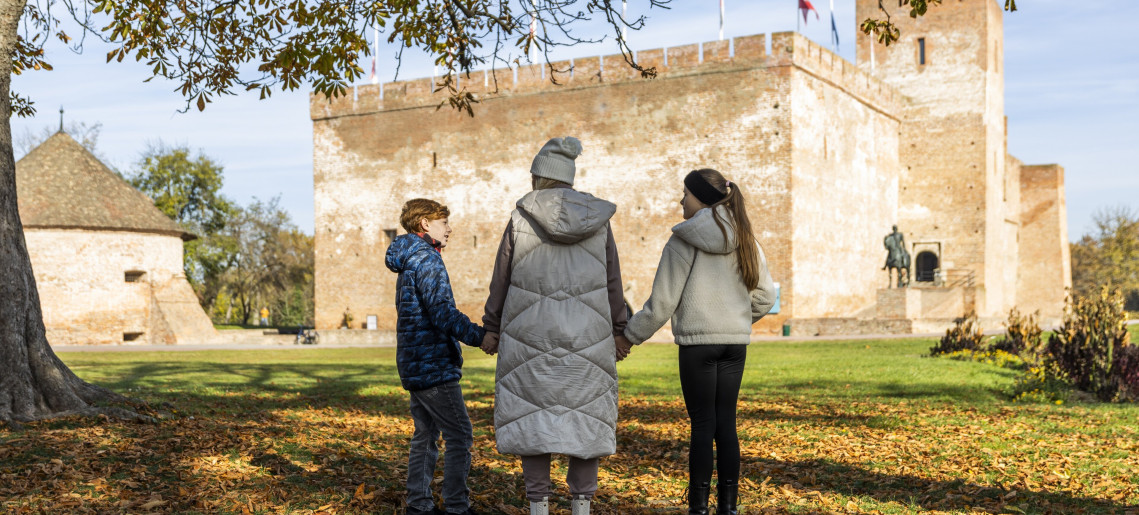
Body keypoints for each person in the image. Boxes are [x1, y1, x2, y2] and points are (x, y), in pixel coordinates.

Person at [481, 137, 628, 515]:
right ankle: (581, 507)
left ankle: (538, 507)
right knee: (586, 418)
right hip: (588, 337)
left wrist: (492, 325)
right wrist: (618, 328)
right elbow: (612, 280)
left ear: (539, 178)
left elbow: (502, 276)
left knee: (533, 418)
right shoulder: (599, 223)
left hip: (529, 335)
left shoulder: (519, 218)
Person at [616, 168, 775, 515]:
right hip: (734, 345)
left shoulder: (683, 240)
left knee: (703, 425)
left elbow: (662, 303)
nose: (680, 200)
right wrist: (733, 320)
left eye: (685, 194)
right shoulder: (747, 238)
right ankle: (729, 507)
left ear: (701, 198)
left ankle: (699, 507)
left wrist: (628, 337)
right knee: (726, 423)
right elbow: (764, 296)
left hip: (698, 345)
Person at [385, 198, 495, 515]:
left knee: (426, 435)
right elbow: (442, 313)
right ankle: (457, 507)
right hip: (432, 364)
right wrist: (480, 336)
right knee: (460, 434)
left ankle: (418, 506)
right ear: (425, 224)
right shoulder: (427, 260)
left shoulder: (409, 260)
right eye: (443, 222)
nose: (449, 228)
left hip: (413, 362)